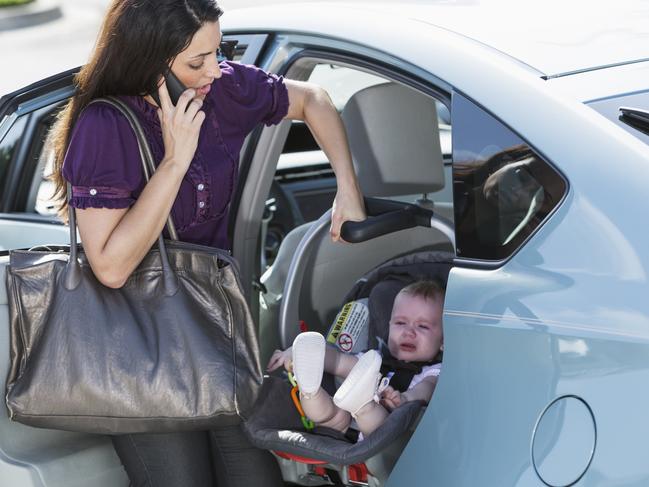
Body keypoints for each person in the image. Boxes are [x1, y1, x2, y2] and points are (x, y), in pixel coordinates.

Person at [48, 0, 366, 485]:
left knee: (256, 477)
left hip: (217, 329)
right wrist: (175, 162)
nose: (214, 70)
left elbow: (314, 99)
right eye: (197, 61)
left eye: (218, 52)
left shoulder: (223, 89)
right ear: (150, 60)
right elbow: (111, 267)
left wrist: (347, 187)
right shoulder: (104, 126)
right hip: (137, 348)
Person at [267, 280, 444, 438]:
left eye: (422, 326)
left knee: (378, 420)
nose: (408, 332)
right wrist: (301, 354)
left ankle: (362, 405)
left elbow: (425, 390)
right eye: (400, 323)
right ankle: (310, 391)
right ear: (389, 326)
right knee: (329, 413)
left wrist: (404, 399)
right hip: (343, 426)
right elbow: (338, 361)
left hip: (387, 440)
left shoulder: (435, 371)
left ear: (444, 340)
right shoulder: (375, 359)